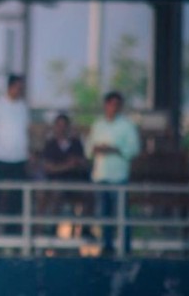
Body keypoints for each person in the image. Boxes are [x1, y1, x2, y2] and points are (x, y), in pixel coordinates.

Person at [85, 91, 140, 256]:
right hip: (101, 175)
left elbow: (134, 149)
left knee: (122, 215)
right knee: (104, 215)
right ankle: (106, 246)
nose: (114, 108)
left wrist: (115, 149)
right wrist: (97, 149)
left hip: (119, 177)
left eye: (117, 105)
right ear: (106, 105)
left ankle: (125, 248)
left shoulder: (127, 126)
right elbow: (88, 149)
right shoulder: (98, 125)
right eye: (111, 104)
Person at [0, 74, 31, 235]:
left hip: (19, 157)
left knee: (16, 196)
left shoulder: (23, 107)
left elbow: (25, 131)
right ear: (11, 87)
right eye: (18, 87)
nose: (20, 90)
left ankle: (12, 231)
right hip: (1, 156)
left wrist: (27, 151)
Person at [38, 114, 92, 237]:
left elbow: (84, 162)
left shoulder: (76, 143)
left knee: (89, 194)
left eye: (64, 125)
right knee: (56, 193)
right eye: (59, 125)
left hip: (75, 183)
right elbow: (49, 167)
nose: (61, 129)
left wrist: (77, 163)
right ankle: (52, 229)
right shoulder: (50, 145)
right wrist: (67, 165)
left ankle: (86, 229)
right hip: (56, 185)